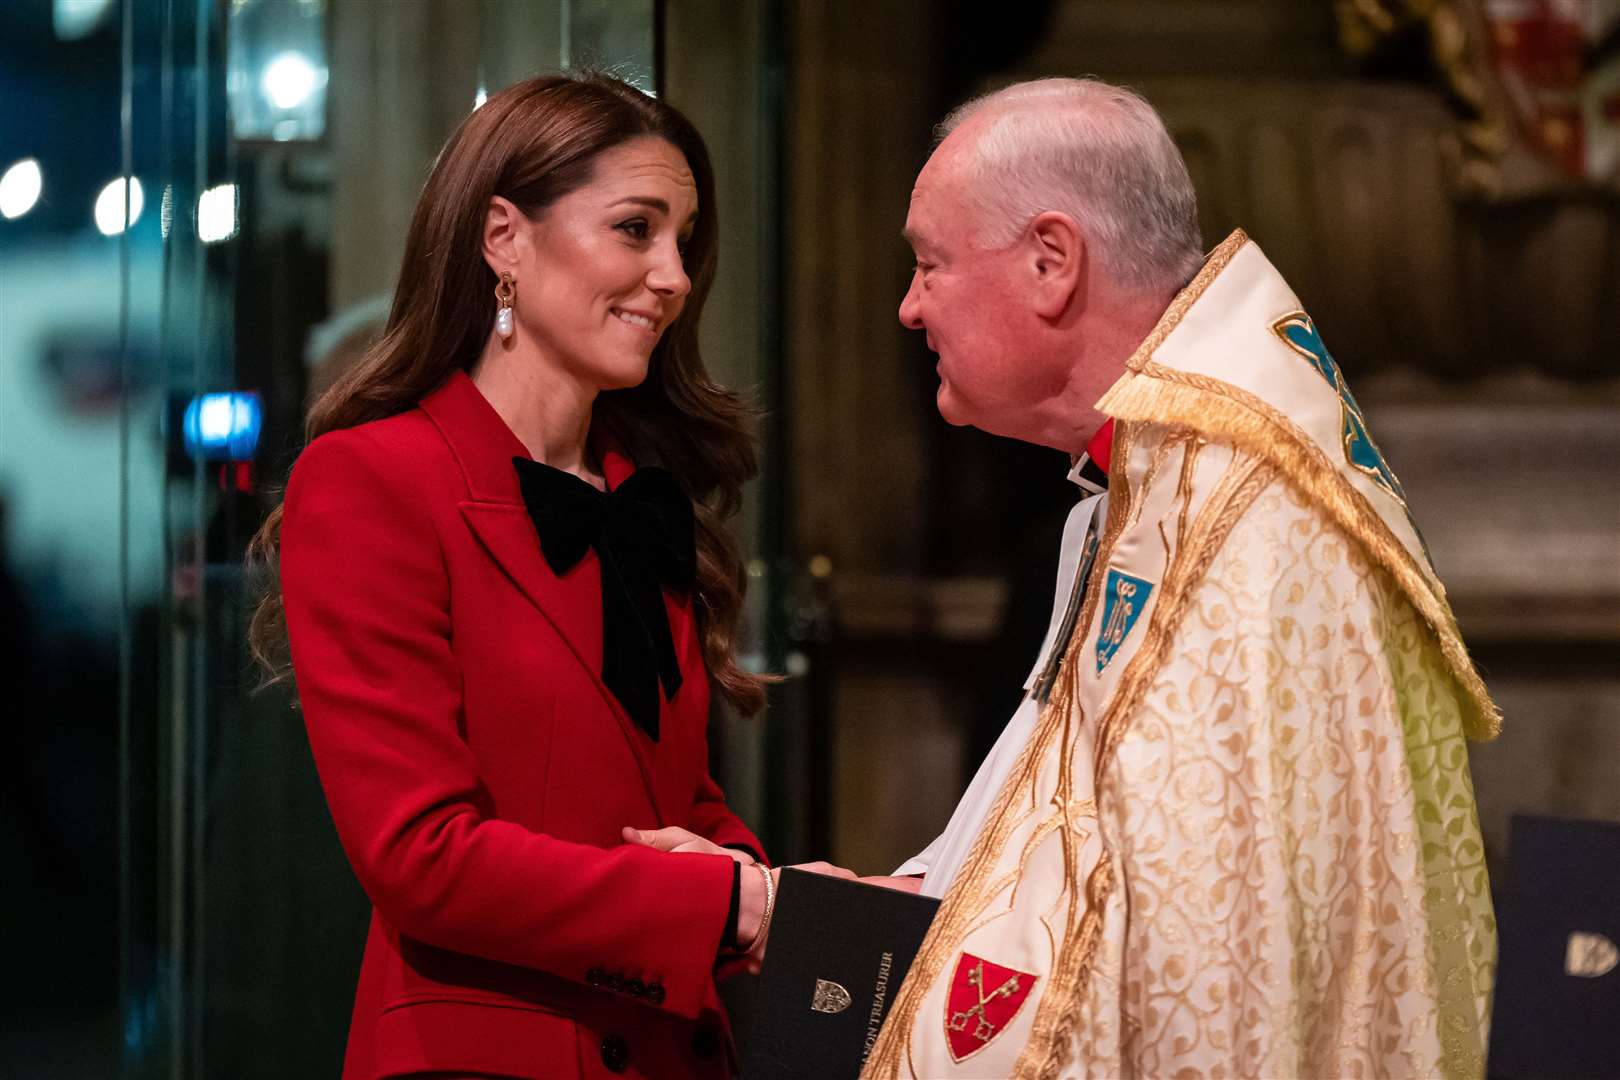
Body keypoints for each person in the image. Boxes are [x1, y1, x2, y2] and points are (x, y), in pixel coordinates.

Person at [861, 78, 1501, 1079]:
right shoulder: (1155, 486)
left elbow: (1197, 968)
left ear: (1050, 261)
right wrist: (853, 912)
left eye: (929, 262)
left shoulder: (1245, 528)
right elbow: (1070, 853)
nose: (909, 307)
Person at [249, 72, 846, 1080]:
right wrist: (731, 902)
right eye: (635, 229)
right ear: (503, 238)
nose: (673, 277)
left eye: (683, 241)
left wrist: (761, 878)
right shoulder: (371, 478)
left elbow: (677, 802)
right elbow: (420, 858)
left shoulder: (639, 499)